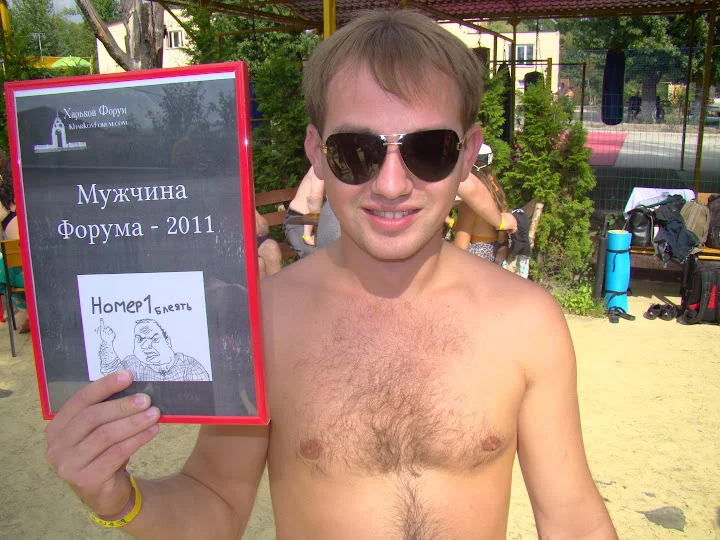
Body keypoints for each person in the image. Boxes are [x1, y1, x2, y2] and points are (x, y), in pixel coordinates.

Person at [44, 11, 617, 539]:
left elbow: (571, 516)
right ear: (317, 154)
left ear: (469, 153)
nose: (391, 185)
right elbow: (215, 499)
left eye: (429, 149)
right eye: (356, 151)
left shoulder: (525, 321)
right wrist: (118, 499)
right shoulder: (265, 320)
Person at [97, 318, 210, 382]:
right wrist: (107, 342)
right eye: (140, 339)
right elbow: (113, 375)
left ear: (168, 341)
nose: (146, 346)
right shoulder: (133, 364)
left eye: (154, 339)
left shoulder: (190, 367)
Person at [453, 146, 513, 264]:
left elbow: (460, 246)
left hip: (474, 261)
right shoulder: (495, 190)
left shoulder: (472, 200)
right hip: (492, 256)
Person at [0, 151, 29, 333]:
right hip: (39, 272)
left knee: (4, 266)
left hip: (18, 276)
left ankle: (26, 312)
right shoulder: (32, 198)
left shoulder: (4, 204)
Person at [282, 166, 325, 258]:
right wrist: (307, 235)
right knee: (311, 255)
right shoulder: (322, 164)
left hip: (321, 222)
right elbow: (315, 198)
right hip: (298, 220)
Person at [255, 209, 282, 279]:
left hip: (254, 238)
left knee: (271, 247)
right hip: (233, 242)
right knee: (259, 263)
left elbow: (264, 227)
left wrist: (261, 228)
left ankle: (276, 285)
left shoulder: (241, 203)